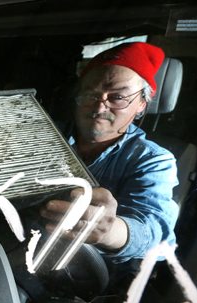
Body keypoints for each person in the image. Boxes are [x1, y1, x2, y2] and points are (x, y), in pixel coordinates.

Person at [39, 42, 179, 265]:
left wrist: (110, 231)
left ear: (142, 103)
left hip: (86, 280)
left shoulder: (153, 161)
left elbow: (155, 234)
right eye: (91, 95)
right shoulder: (43, 137)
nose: (100, 108)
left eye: (117, 98)